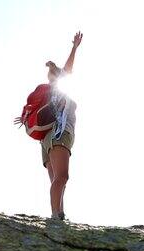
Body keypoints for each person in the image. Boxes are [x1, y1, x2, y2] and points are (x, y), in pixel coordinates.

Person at [42, 31, 83, 220]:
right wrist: (74, 48)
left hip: (45, 140)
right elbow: (68, 69)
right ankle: (55, 217)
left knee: (56, 180)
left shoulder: (48, 93)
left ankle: (59, 214)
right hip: (59, 133)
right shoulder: (58, 89)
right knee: (62, 177)